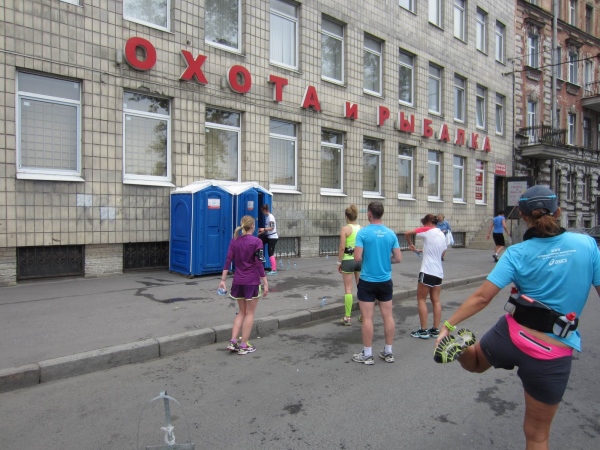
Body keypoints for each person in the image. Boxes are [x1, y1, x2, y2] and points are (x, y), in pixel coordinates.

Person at [434, 185, 600, 450]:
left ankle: (461, 347)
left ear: (522, 216)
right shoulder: (587, 245)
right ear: (558, 212)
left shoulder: (515, 253)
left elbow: (482, 297)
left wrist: (447, 325)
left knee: (475, 363)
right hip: (551, 353)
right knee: (537, 436)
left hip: (510, 335)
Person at [351, 201, 402, 365]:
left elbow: (357, 257)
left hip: (367, 281)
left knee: (367, 318)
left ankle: (367, 355)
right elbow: (398, 258)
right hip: (385, 280)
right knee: (388, 316)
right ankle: (388, 352)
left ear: (369, 214)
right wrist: (385, 260)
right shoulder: (391, 234)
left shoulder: (363, 233)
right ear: (382, 214)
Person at [218, 215, 268, 355]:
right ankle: (244, 345)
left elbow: (228, 260)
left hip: (238, 281)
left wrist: (223, 280)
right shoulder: (257, 241)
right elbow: (259, 264)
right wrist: (265, 282)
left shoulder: (235, 240)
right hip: (251, 282)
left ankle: (233, 341)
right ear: (252, 226)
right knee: (250, 313)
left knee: (241, 312)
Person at [405, 214, 447, 339]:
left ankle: (423, 330)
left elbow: (407, 233)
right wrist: (423, 250)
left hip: (427, 270)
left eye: (424, 223)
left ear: (428, 222)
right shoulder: (441, 234)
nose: (423, 225)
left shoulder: (427, 230)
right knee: (436, 300)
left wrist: (411, 244)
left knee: (421, 299)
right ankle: (435, 329)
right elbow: (442, 252)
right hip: (438, 272)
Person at [337, 205, 362, 326]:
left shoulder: (345, 229)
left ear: (346, 216)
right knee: (361, 287)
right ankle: (364, 315)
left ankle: (347, 317)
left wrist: (339, 262)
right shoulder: (361, 229)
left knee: (348, 289)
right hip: (359, 259)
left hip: (348, 260)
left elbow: (342, 247)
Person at [258, 204, 279, 275]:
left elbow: (271, 228)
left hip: (273, 238)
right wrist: (259, 233)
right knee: (259, 241)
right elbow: (266, 230)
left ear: (264, 210)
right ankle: (261, 256)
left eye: (262, 211)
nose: (262, 212)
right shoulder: (267, 217)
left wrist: (263, 229)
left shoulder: (270, 217)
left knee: (270, 253)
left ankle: (274, 270)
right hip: (269, 236)